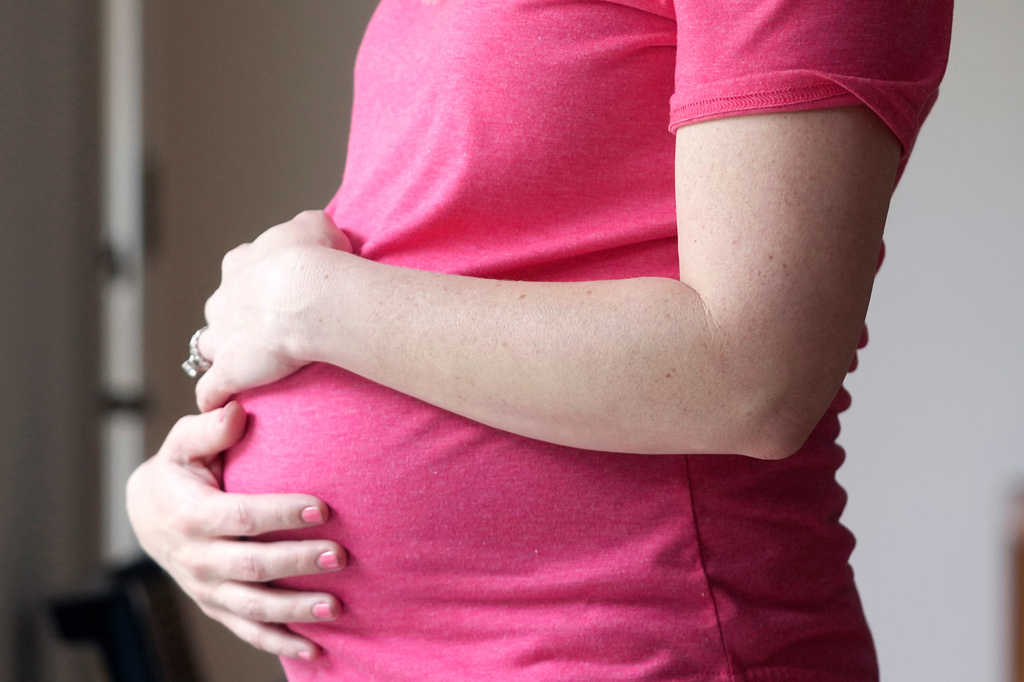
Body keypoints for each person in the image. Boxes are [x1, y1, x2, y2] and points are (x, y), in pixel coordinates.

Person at [127, 1, 953, 680]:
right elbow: (442, 249)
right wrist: (194, 477)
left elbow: (753, 374)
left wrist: (310, 303)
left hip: (636, 645)